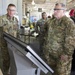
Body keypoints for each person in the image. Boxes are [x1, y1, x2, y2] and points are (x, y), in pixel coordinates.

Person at [42, 3, 75, 75]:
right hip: (51, 55)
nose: (55, 11)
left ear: (63, 10)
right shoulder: (52, 22)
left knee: (61, 73)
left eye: (57, 10)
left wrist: (66, 54)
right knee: (52, 72)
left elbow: (71, 41)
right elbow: (46, 34)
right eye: (54, 9)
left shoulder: (68, 22)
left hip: (62, 57)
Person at [0, 4, 18, 75]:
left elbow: (17, 31)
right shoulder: (2, 19)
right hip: (4, 44)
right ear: (7, 10)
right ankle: (5, 72)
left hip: (13, 44)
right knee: (6, 59)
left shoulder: (15, 20)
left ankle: (11, 71)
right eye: (9, 10)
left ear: (15, 11)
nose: (11, 12)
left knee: (13, 59)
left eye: (13, 10)